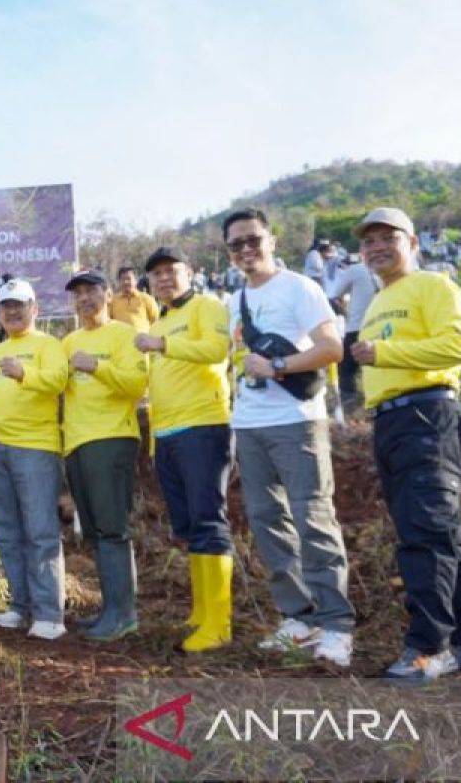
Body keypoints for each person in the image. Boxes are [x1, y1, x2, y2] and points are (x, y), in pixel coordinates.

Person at [349, 207, 461, 683]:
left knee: (424, 533)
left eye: (388, 237)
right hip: (390, 423)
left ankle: (430, 647)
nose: (376, 247)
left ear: (412, 242)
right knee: (442, 533)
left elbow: (457, 347)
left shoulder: (435, 285)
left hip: (428, 416)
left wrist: (384, 352)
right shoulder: (376, 302)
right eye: (369, 242)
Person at [222, 208, 356, 667]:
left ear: (271, 240)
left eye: (253, 240)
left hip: (297, 420)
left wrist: (278, 366)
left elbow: (331, 348)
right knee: (267, 521)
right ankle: (299, 617)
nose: (246, 249)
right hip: (249, 423)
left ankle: (336, 624)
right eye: (236, 244)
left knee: (313, 518)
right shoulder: (232, 300)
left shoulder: (300, 287)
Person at [134, 248, 234, 652]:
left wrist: (162, 345)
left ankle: (219, 622)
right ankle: (201, 610)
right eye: (156, 274)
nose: (163, 279)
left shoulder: (206, 307)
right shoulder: (164, 319)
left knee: (209, 520)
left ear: (189, 272)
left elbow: (216, 350)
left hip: (203, 425)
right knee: (190, 523)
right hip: (168, 434)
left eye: (171, 271)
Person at [0, 278, 69, 640]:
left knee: (40, 530)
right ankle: (19, 606)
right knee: (7, 531)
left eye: (19, 305)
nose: (12, 311)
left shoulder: (49, 345)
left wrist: (24, 372)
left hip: (35, 447)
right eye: (6, 306)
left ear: (34, 309)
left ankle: (49, 613)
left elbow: (59, 380)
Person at [62, 269, 148, 641]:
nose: (84, 299)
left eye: (91, 291)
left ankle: (124, 614)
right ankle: (110, 609)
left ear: (108, 295)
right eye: (78, 293)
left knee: (112, 528)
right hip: (76, 443)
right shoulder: (68, 341)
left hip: (112, 437)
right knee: (95, 531)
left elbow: (136, 384)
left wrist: (96, 365)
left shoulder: (124, 335)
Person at [324, 249, 381, 407]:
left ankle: (349, 401)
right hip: (381, 326)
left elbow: (336, 293)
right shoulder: (382, 270)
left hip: (357, 326)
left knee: (346, 366)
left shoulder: (355, 270)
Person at [108, 266, 158, 333]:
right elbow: (108, 321)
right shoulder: (112, 301)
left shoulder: (146, 299)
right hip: (120, 340)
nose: (126, 282)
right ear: (119, 282)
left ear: (135, 281)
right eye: (123, 279)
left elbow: (155, 320)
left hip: (143, 340)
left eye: (129, 279)